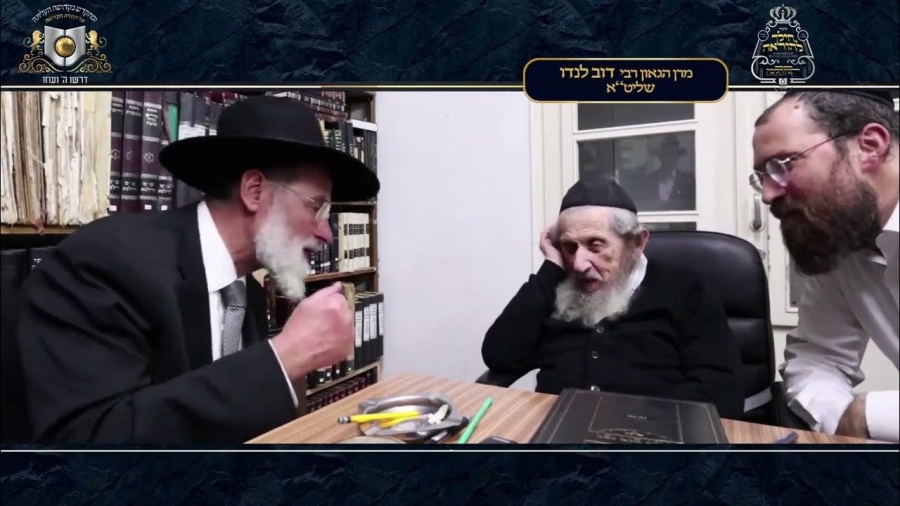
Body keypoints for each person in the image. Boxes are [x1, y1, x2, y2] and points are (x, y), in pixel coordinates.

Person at [10, 96, 380, 443]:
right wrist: (284, 357)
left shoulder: (246, 291)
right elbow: (91, 440)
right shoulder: (106, 261)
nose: (326, 233)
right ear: (254, 191)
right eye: (316, 207)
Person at [481, 176, 744, 419]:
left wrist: (634, 422)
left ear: (637, 243)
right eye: (569, 247)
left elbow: (722, 393)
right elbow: (500, 356)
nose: (579, 264)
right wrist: (551, 267)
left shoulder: (685, 292)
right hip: (557, 434)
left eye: (596, 246)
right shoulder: (554, 288)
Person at [752, 89, 899, 442]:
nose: (768, 195)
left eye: (783, 165)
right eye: (762, 175)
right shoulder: (844, 240)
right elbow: (817, 358)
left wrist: (870, 415)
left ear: (870, 146)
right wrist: (843, 418)